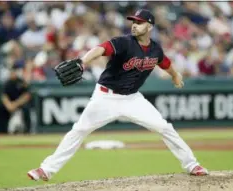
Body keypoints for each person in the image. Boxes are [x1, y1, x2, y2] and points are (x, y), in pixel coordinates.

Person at [28, 9, 208, 181]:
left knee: (164, 127)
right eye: (134, 22)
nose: (135, 25)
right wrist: (83, 61)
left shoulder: (155, 49)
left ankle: (192, 165)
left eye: (139, 22)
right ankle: (46, 169)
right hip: (106, 97)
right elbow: (101, 48)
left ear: (150, 26)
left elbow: (165, 62)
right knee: (79, 130)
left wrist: (175, 75)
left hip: (132, 99)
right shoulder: (124, 42)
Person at [0, 65, 31, 134]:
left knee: (26, 109)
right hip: (9, 105)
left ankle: (27, 131)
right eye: (11, 71)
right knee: (1, 109)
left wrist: (15, 104)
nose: (13, 73)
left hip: (19, 105)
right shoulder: (6, 83)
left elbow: (27, 96)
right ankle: (2, 132)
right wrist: (9, 105)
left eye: (14, 71)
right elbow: (4, 96)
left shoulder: (21, 82)